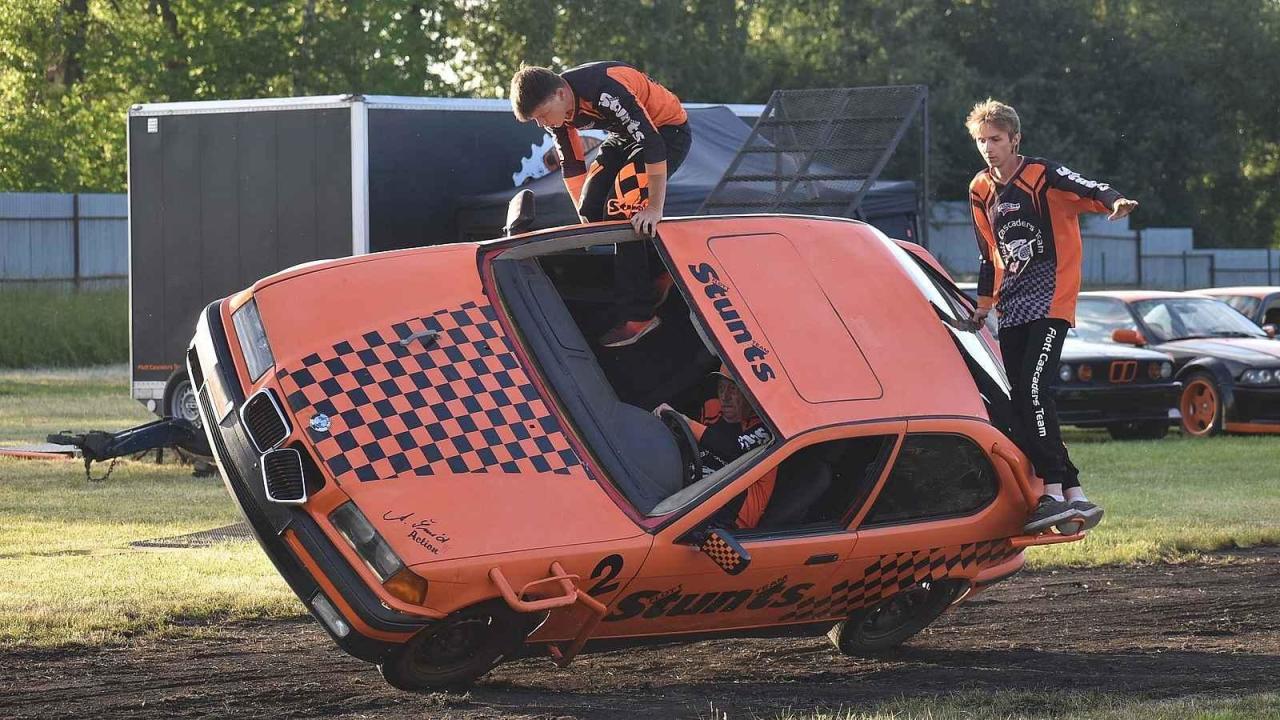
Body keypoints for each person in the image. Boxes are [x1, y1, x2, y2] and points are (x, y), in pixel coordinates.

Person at [965, 98, 1138, 535]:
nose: (989, 148)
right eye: (982, 140)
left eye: (996, 139)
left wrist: (1115, 202)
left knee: (1035, 390)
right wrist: (983, 305)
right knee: (1022, 398)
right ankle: (1072, 493)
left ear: (1015, 139)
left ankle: (1051, 493)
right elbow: (989, 254)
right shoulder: (980, 190)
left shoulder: (1041, 174)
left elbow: (1090, 187)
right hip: (1012, 307)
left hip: (1051, 302)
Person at [510, 62, 693, 347]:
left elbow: (654, 146)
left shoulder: (605, 89)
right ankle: (660, 271)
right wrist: (584, 219)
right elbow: (571, 165)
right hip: (624, 138)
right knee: (592, 209)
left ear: (560, 94)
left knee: (622, 207)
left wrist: (654, 208)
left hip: (667, 133)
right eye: (536, 120)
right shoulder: (559, 114)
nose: (542, 124)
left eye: (543, 115)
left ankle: (640, 314)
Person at [654, 367, 774, 529]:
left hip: (729, 520)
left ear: (750, 393)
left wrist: (686, 422)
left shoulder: (766, 430)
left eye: (732, 389)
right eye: (721, 388)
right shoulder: (712, 407)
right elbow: (687, 439)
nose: (725, 397)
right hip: (688, 492)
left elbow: (732, 449)